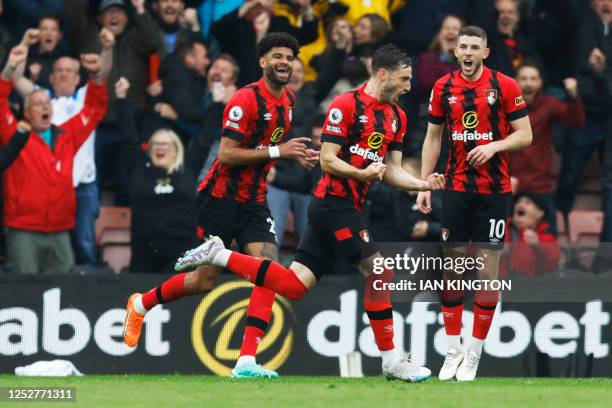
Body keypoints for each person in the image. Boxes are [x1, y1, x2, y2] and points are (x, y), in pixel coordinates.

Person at [175, 44, 445, 382]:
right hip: (332, 203)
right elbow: (328, 159)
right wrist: (361, 174)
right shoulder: (345, 105)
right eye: (404, 79)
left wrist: (422, 184)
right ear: (382, 73)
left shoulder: (397, 116)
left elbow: (390, 170)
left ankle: (220, 255)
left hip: (350, 207)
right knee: (380, 271)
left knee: (292, 285)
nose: (409, 86)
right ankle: (392, 360)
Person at [122, 33, 318, 378]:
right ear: (262, 62)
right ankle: (141, 303)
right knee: (202, 282)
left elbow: (270, 148)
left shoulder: (289, 100)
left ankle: (245, 361)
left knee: (268, 268)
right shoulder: (245, 99)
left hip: (255, 200)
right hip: (220, 199)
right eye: (277, 56)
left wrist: (294, 156)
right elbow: (226, 154)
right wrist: (279, 152)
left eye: (289, 56)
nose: (284, 62)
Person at [417, 25, 532, 381]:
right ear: (455, 51)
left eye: (473, 47)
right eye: (461, 46)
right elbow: (432, 136)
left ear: (485, 53)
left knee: (487, 272)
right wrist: (424, 183)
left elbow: (525, 135)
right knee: (451, 268)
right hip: (455, 188)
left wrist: (494, 146)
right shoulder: (443, 87)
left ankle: (474, 353)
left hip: (494, 192)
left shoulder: (505, 86)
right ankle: (453, 348)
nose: (466, 52)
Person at [0, 44, 109, 274]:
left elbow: (94, 109)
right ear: (27, 112)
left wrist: (97, 76)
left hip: (60, 230)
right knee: (24, 293)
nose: (44, 108)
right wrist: (9, 69)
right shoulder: (15, 134)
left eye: (47, 104)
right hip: (23, 229)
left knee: (62, 290)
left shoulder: (66, 135)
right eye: (37, 105)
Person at [115, 77, 207, 274]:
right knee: (144, 301)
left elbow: (205, 139)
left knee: (180, 302)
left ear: (176, 150)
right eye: (155, 144)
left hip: (183, 250)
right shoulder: (140, 167)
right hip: (144, 249)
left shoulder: (187, 167)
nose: (160, 147)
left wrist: (217, 103)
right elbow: (128, 138)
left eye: (165, 144)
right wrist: (121, 98)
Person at [510, 62, 585, 234]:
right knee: (502, 246)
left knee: (548, 246)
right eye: (523, 78)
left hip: (540, 186)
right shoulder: (504, 106)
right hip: (511, 184)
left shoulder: (548, 104)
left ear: (541, 83)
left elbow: (576, 120)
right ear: (514, 82)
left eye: (533, 79)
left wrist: (573, 96)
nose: (528, 83)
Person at [501, 193, 560, 277]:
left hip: (530, 286)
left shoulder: (547, 239)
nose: (520, 204)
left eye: (527, 202)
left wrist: (538, 246)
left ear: (540, 213)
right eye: (518, 202)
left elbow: (551, 265)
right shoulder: (500, 228)